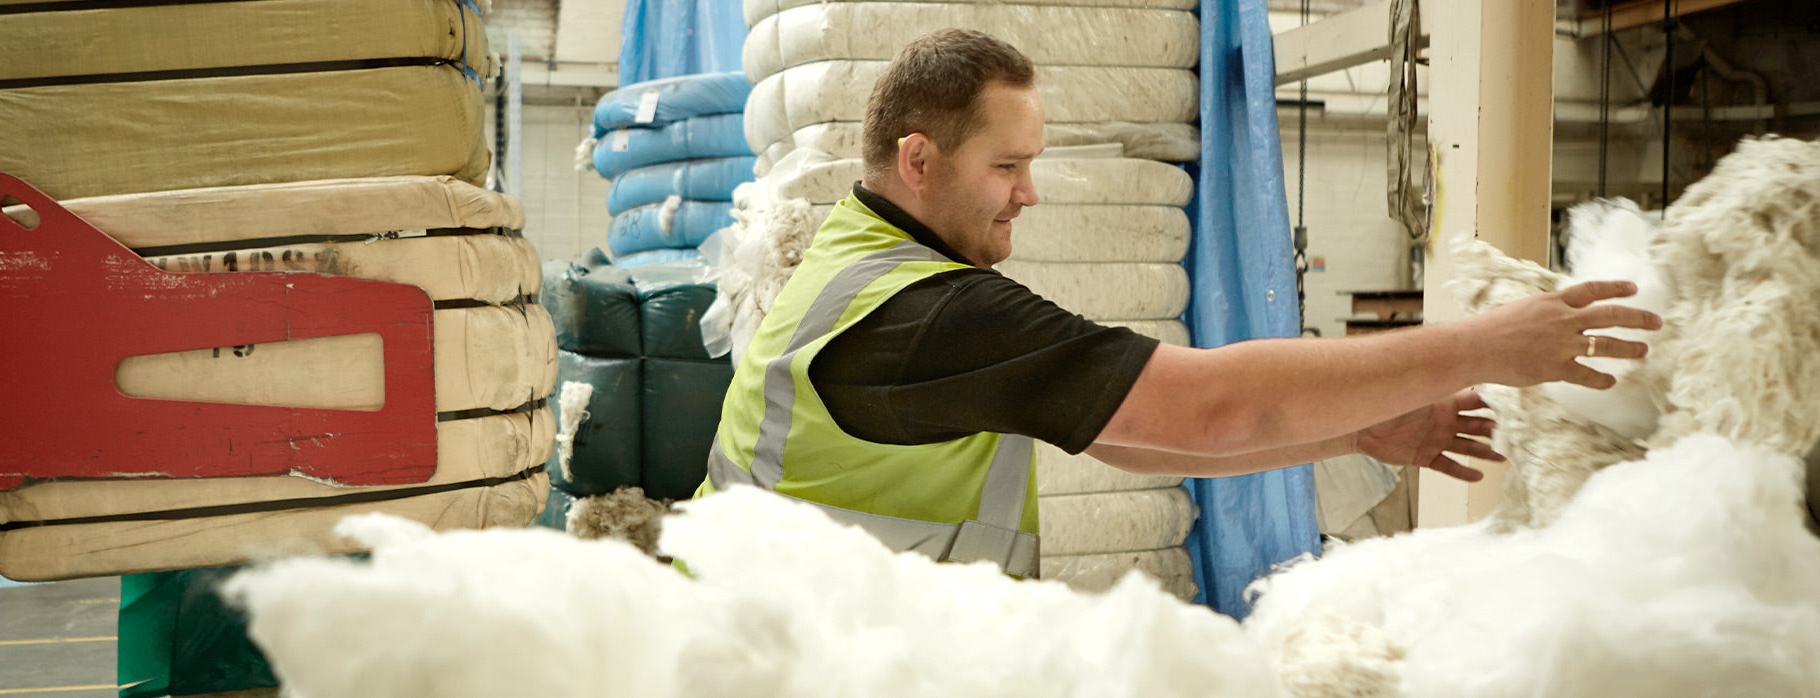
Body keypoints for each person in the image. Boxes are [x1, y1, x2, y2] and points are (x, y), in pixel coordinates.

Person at [697, 29, 1662, 578]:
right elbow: (1209, 404)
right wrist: (1482, 344)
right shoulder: (926, 316)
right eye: (1006, 166)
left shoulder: (861, 264)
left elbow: (1127, 435)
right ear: (918, 159)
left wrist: (1357, 435)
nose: (1028, 194)